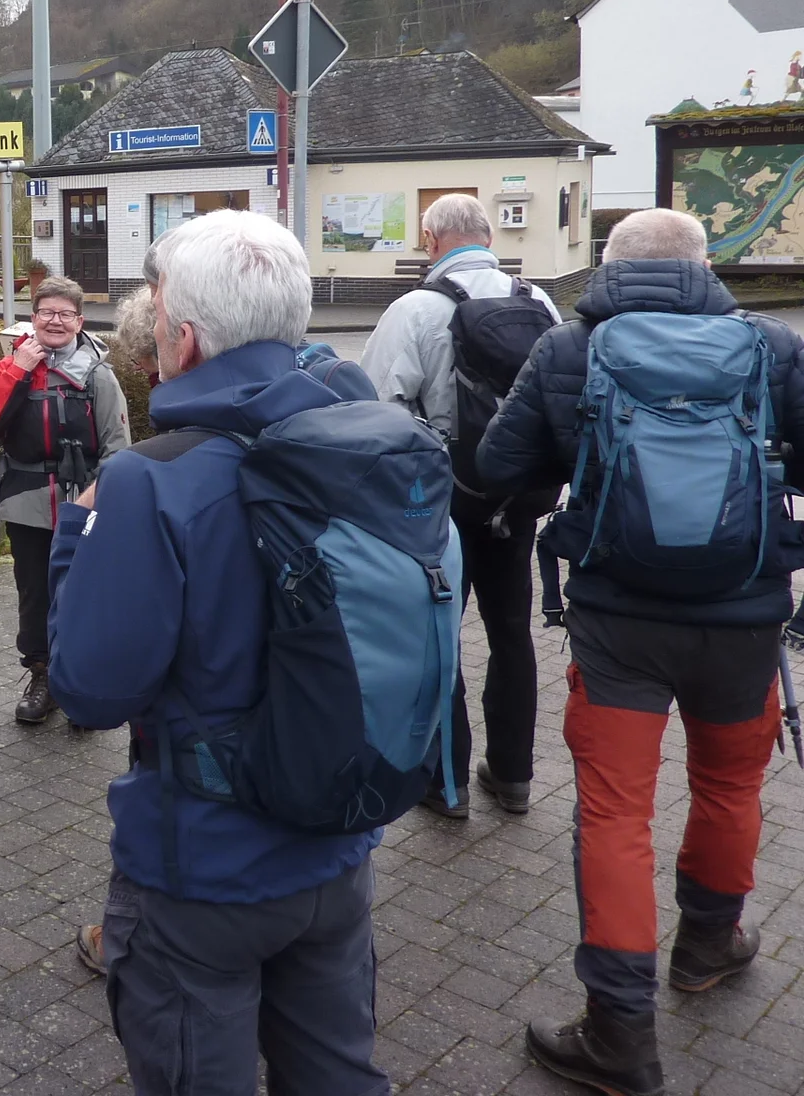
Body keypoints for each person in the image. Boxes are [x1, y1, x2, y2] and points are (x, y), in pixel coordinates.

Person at [48, 212, 387, 1096]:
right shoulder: (367, 440)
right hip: (340, 844)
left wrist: (77, 531)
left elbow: (87, 688)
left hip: (207, 870)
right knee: (337, 1076)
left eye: (157, 316)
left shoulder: (151, 480)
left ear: (184, 340)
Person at [478, 208, 804, 1096]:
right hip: (743, 619)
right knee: (731, 784)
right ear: (703, 265)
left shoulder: (570, 348)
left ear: (608, 266)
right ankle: (707, 946)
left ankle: (620, 1031)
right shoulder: (771, 346)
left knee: (615, 815)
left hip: (617, 622)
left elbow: (500, 460)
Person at [361, 192, 560, 818]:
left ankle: (445, 784)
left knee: (439, 637)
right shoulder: (541, 302)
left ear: (432, 240)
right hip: (521, 496)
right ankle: (514, 776)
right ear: (488, 235)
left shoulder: (417, 308)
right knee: (512, 632)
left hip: (442, 500)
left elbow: (376, 409)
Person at [0, 276, 129, 722]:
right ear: (33, 317)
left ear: (79, 321)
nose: (54, 321)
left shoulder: (98, 374)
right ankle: (42, 676)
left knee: (83, 594)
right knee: (34, 595)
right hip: (27, 501)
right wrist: (17, 368)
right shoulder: (14, 365)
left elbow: (118, 449)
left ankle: (80, 682)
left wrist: (99, 504)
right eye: (46, 313)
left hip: (84, 503)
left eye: (65, 314)